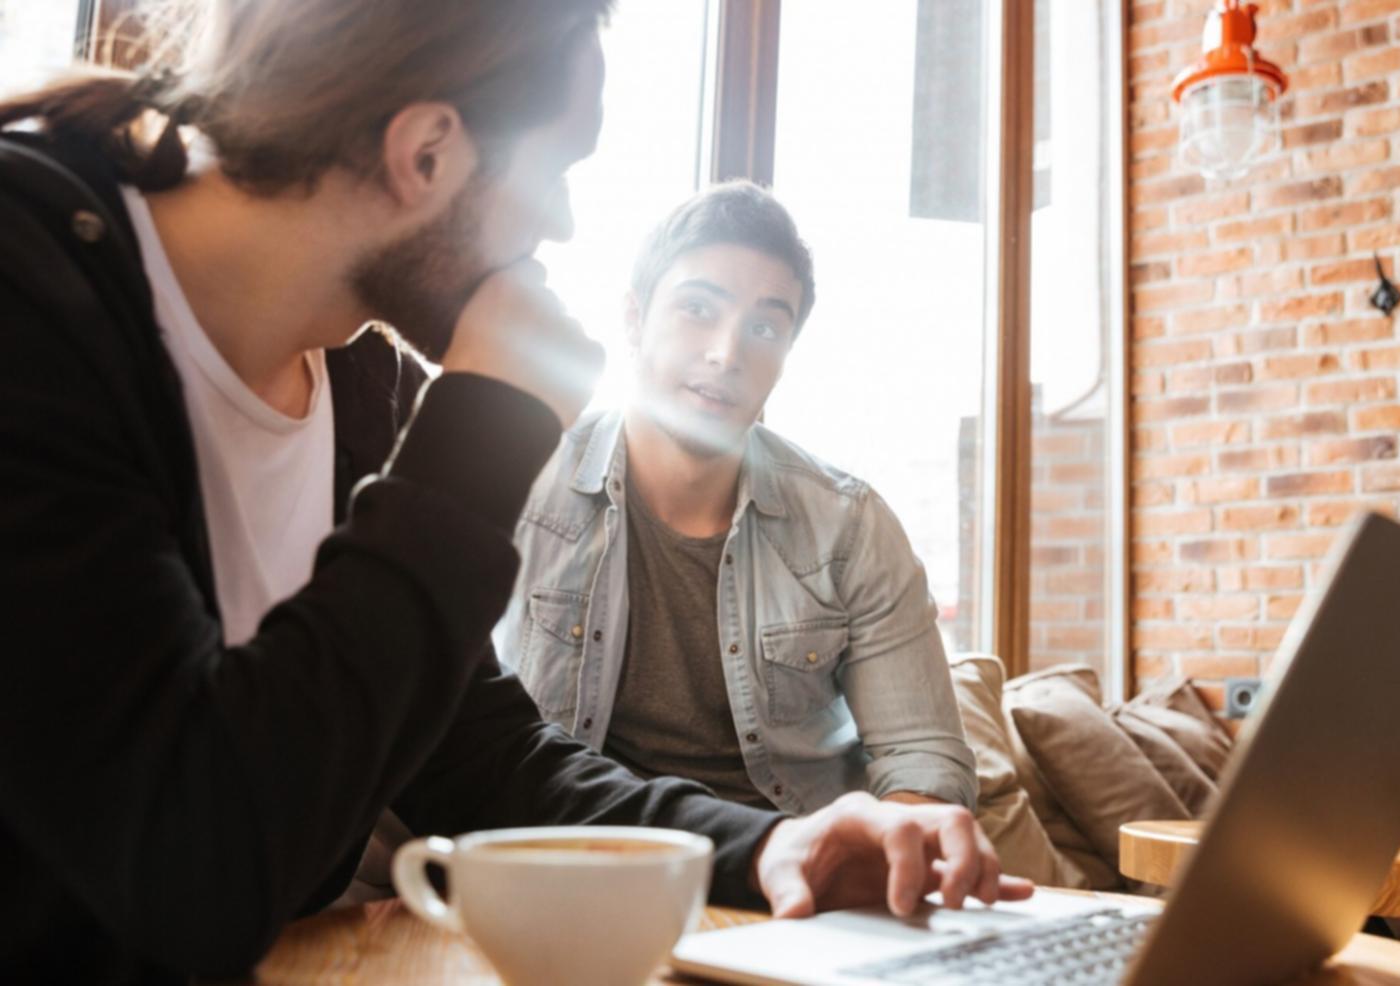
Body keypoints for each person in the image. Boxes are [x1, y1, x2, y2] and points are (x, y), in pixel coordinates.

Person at [0, 1, 1026, 981]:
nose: (565, 222)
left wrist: (770, 845)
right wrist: (481, 429)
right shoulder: (31, 288)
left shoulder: (356, 379)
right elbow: (193, 870)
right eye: (559, 168)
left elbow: (481, 753)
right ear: (426, 153)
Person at [499, 181, 978, 815]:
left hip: (790, 872)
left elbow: (924, 754)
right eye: (698, 309)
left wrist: (893, 849)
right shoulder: (522, 486)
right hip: (576, 863)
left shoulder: (848, 526)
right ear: (636, 319)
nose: (727, 353)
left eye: (764, 327)